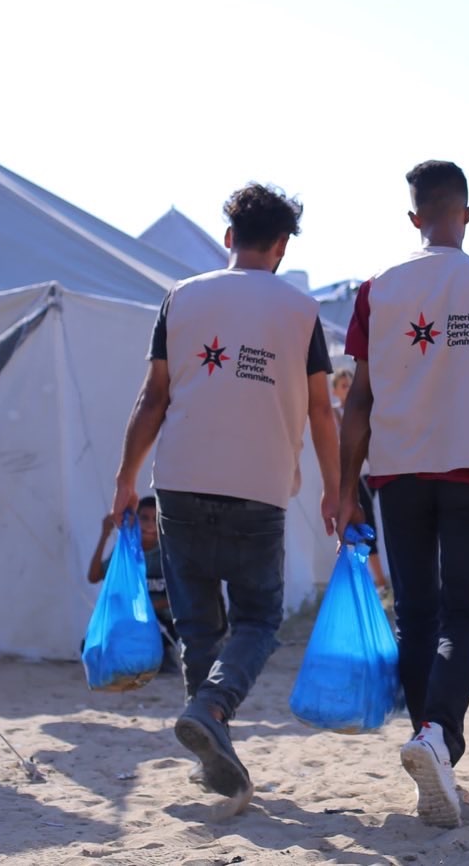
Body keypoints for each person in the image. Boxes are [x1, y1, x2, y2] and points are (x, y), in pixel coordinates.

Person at [338, 160, 469, 828]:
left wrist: (345, 488)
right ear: (467, 212)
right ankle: (439, 741)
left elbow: (361, 399)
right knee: (464, 613)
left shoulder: (378, 289)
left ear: (413, 217)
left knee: (416, 614)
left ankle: (429, 750)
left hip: (398, 470)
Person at [110, 183, 340, 805]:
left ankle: (212, 742)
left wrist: (124, 481)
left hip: (180, 480)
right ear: (283, 244)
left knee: (197, 625)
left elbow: (152, 398)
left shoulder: (181, 298)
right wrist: (336, 490)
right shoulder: (299, 310)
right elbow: (322, 410)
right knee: (260, 618)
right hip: (259, 486)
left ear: (228, 238)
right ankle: (212, 708)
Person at [87, 495, 178, 673]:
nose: (150, 525)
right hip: (132, 619)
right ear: (134, 520)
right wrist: (104, 535)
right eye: (144, 518)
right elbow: (94, 576)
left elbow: (180, 594)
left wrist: (151, 606)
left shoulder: (168, 554)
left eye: (155, 519)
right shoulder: (127, 551)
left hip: (163, 621)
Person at [330, 367, 388, 593]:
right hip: (346, 480)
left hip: (365, 477)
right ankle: (361, 584)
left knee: (367, 527)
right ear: (335, 391)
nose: (348, 389)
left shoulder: (363, 412)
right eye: (343, 385)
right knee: (349, 531)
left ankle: (380, 583)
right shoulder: (334, 415)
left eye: (350, 384)